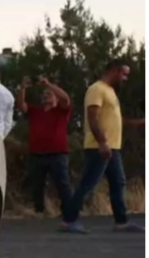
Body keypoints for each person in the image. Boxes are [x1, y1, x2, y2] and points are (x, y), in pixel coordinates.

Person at [61, 60, 144, 233]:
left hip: (113, 147)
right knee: (88, 183)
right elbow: (93, 118)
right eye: (124, 74)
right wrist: (102, 143)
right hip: (99, 147)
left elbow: (115, 120)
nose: (125, 78)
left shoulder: (110, 92)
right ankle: (69, 220)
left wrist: (139, 123)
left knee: (118, 182)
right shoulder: (96, 89)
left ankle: (121, 222)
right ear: (114, 71)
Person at [16, 76, 73, 217]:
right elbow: (21, 105)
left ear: (56, 98)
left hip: (57, 154)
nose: (45, 95)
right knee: (37, 186)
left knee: (62, 184)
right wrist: (23, 88)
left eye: (49, 94)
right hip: (37, 154)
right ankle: (39, 211)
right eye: (44, 94)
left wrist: (49, 85)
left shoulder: (61, 111)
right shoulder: (36, 111)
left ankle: (68, 212)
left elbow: (65, 99)